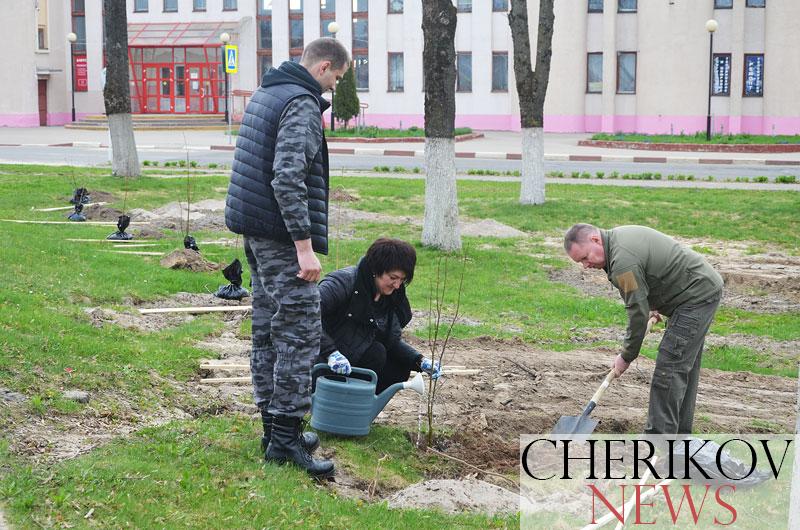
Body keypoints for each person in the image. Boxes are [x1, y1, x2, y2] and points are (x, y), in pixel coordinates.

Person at [224, 38, 350, 478]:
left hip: (255, 231)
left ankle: (273, 429)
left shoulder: (268, 91)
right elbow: (287, 177)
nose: (335, 87)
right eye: (336, 78)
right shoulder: (300, 102)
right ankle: (285, 440)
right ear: (325, 66)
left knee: (265, 327)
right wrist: (303, 245)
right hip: (280, 236)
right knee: (298, 332)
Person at [563, 224, 724, 435]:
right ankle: (679, 438)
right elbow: (649, 277)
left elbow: (637, 314)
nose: (585, 265)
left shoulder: (622, 262)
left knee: (670, 369)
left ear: (595, 240)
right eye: (580, 262)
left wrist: (626, 355)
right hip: (697, 288)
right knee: (682, 368)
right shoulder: (617, 240)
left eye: (584, 258)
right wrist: (651, 304)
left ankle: (658, 444)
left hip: (695, 297)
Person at [317, 238, 441, 393]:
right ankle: (335, 403)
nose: (397, 285)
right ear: (376, 270)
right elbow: (305, 316)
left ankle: (359, 410)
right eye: (393, 278)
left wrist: (419, 360)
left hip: (354, 355)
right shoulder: (341, 283)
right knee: (377, 353)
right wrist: (330, 352)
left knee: (396, 366)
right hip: (321, 358)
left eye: (402, 280)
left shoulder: (390, 296)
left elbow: (389, 339)